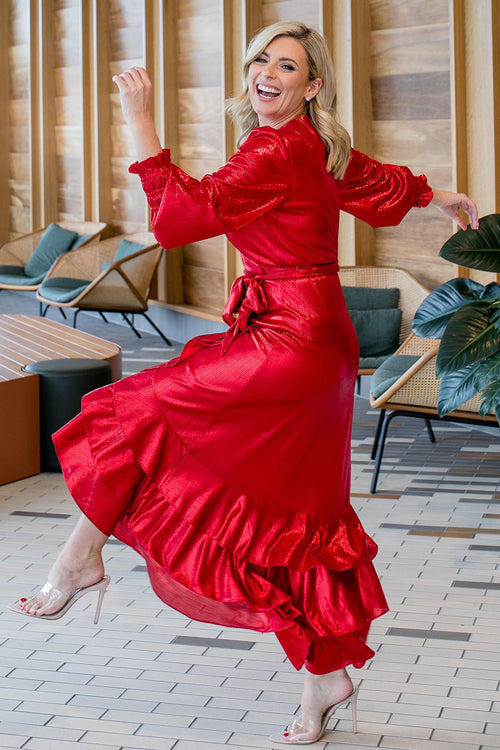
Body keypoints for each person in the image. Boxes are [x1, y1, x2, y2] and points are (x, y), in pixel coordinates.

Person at [9, 21, 478, 745]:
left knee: (136, 411)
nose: (266, 71)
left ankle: (77, 560)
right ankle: (323, 678)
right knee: (298, 518)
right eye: (261, 58)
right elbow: (375, 180)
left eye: (286, 65)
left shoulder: (276, 148)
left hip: (288, 343)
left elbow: (173, 221)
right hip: (314, 343)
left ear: (311, 86)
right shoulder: (316, 145)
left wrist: (139, 121)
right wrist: (436, 193)